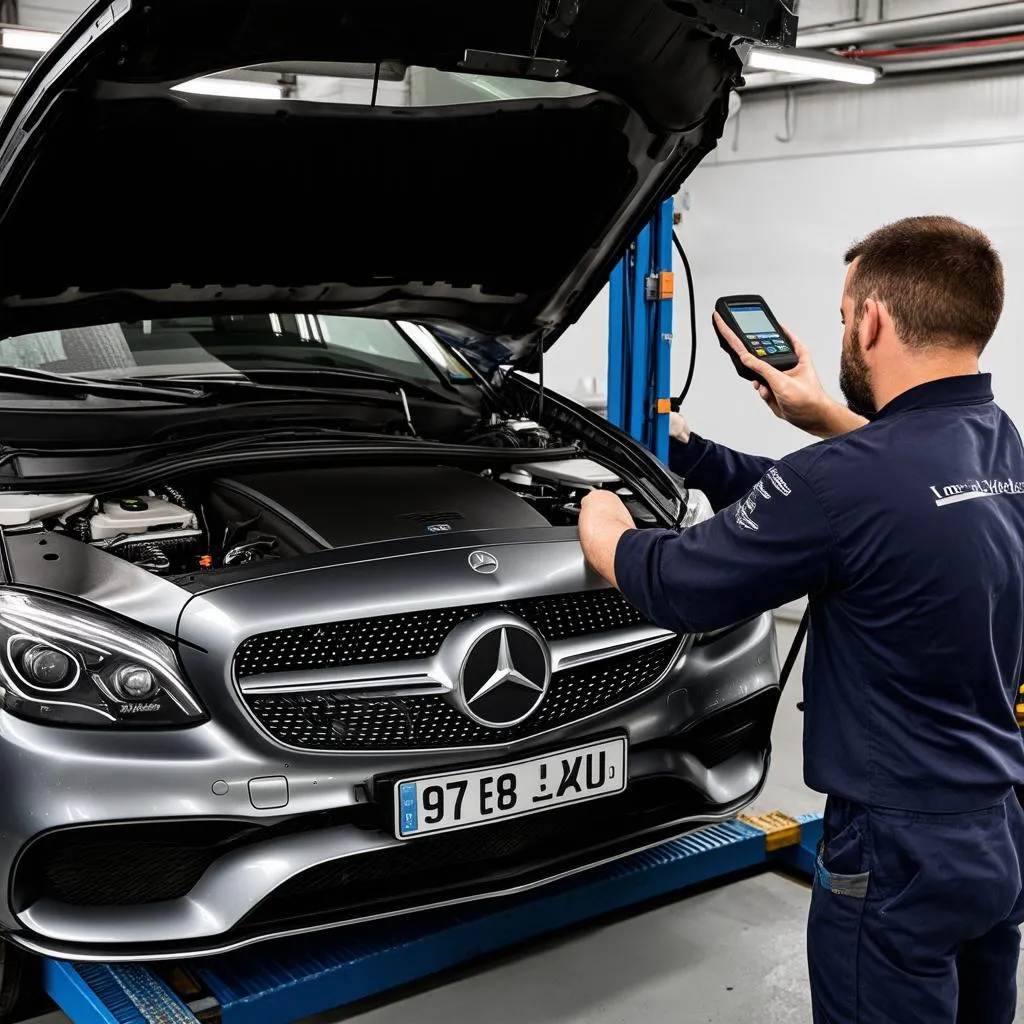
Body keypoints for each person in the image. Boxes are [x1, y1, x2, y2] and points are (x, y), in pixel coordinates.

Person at [577, 215, 1024, 1024]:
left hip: (895, 855)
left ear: (873, 320)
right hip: (997, 831)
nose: (843, 329)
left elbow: (680, 582)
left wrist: (605, 528)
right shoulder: (998, 445)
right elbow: (886, 489)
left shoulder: (843, 481)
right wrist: (726, 443)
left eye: (844, 312)